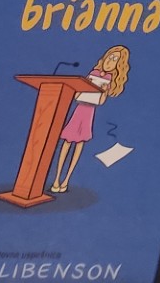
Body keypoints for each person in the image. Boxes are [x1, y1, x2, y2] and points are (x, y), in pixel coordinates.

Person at [50, 44, 129, 193]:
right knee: (67, 142)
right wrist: (83, 87)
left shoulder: (109, 80)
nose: (110, 61)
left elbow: (100, 102)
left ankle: (66, 180)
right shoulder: (94, 73)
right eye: (110, 57)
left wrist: (103, 91)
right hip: (79, 109)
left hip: (89, 113)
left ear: (118, 66)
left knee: (79, 145)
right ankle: (56, 179)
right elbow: (77, 95)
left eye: (115, 59)